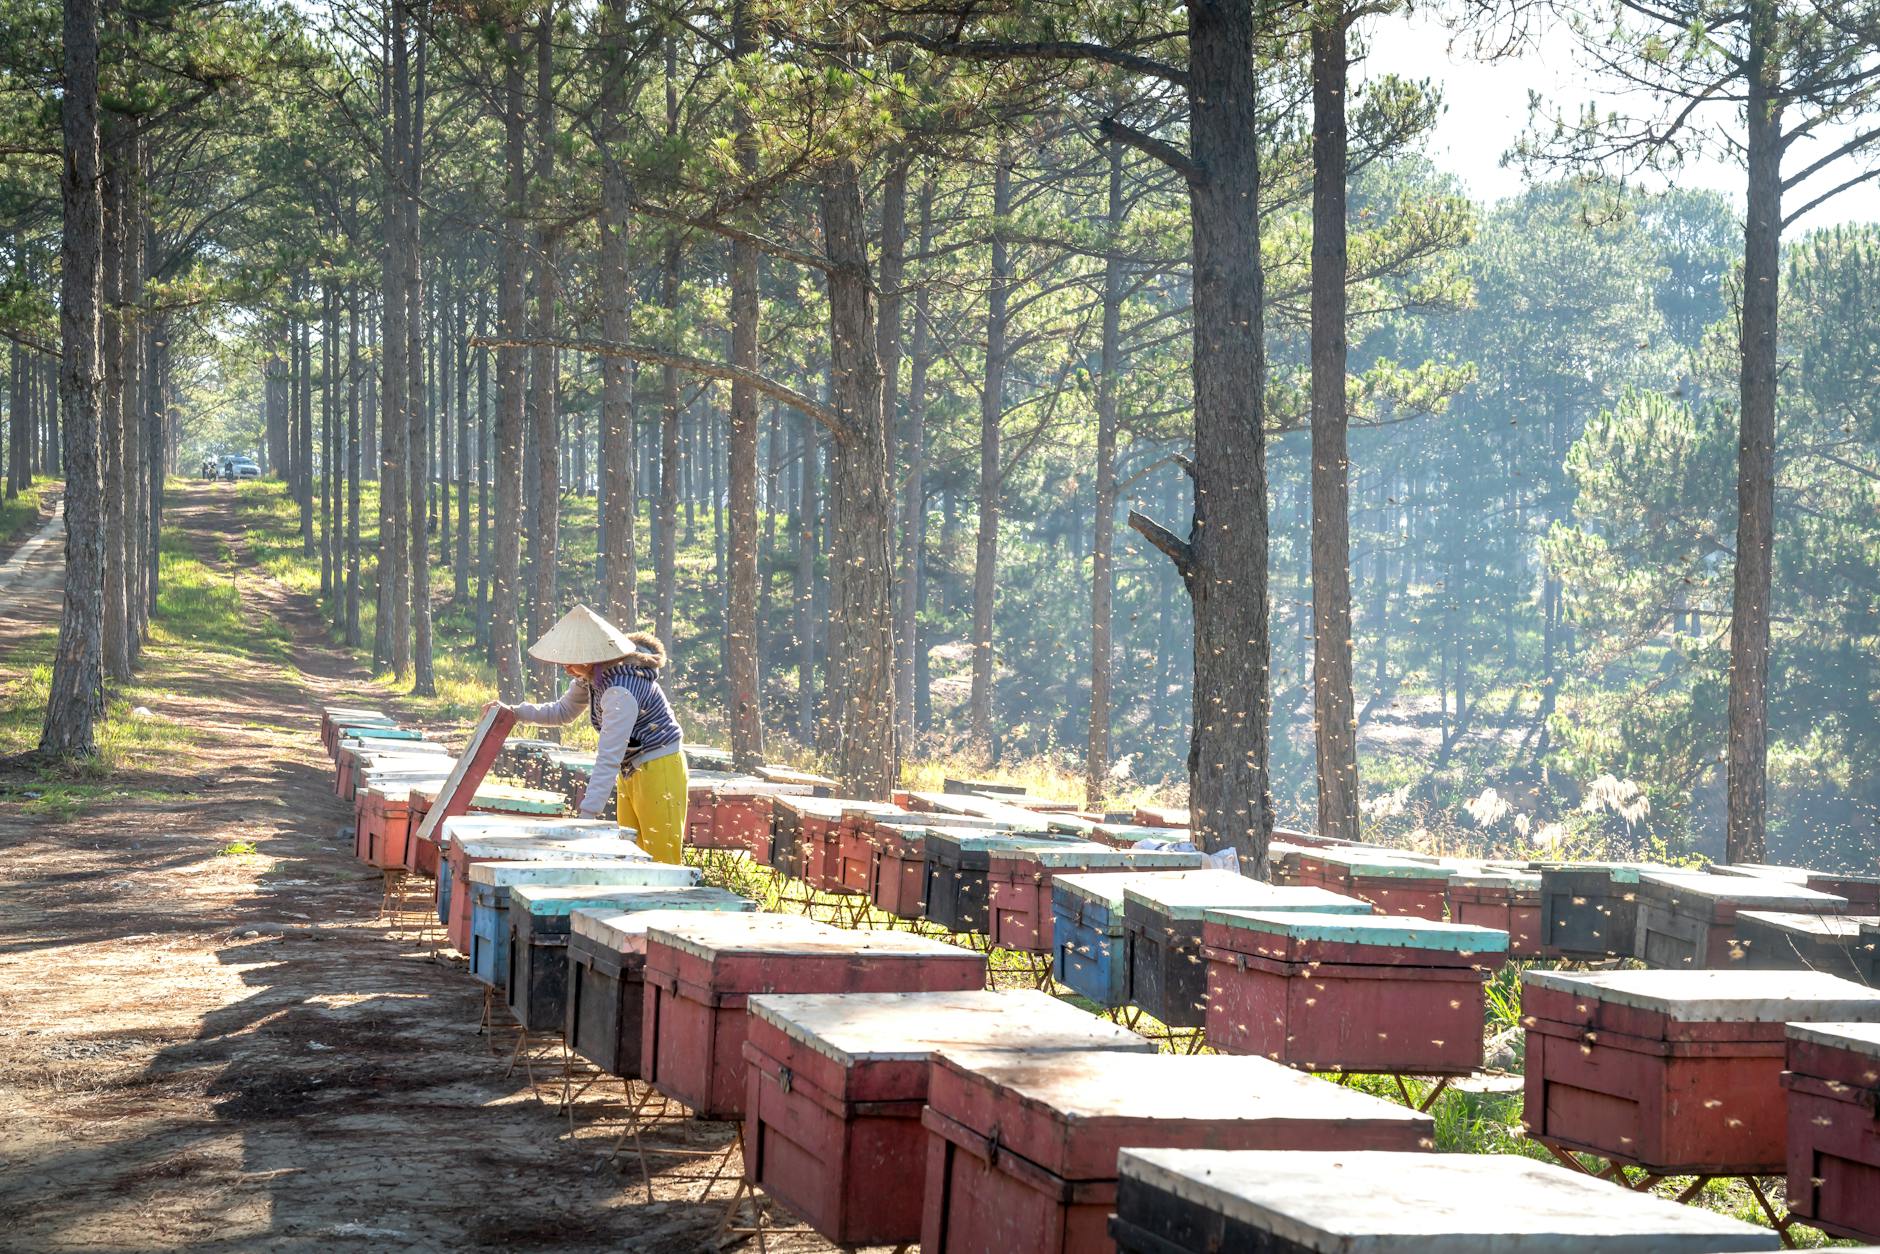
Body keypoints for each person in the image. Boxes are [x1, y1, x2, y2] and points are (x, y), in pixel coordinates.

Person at [489, 604, 689, 864]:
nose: (564, 666)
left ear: (589, 655)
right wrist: (515, 712)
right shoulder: (593, 677)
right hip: (631, 771)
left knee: (662, 862)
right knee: (632, 857)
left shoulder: (620, 690)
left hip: (659, 769)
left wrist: (587, 816)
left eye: (569, 659)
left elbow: (609, 756)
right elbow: (562, 711)